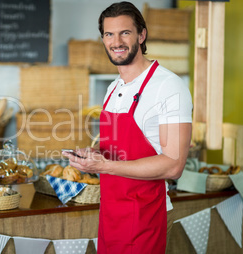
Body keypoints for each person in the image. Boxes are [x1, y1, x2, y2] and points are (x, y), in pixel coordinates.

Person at [62, 2, 192, 253]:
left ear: (141, 35)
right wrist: (94, 157)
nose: (116, 41)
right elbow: (117, 152)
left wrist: (104, 166)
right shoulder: (113, 89)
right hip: (111, 214)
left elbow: (174, 165)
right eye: (109, 34)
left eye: (125, 33)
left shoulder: (168, 86)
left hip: (145, 216)